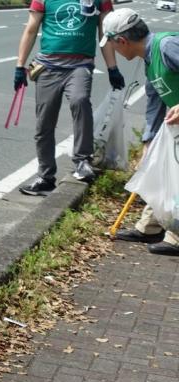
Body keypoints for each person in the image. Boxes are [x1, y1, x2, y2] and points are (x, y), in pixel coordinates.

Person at [15, 0, 125, 196]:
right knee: (44, 122)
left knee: (80, 100)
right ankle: (46, 176)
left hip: (80, 66)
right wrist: (20, 65)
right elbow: (31, 29)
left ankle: (82, 161)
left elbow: (105, 33)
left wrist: (112, 68)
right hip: (47, 66)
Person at [99, 8, 179, 256]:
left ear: (122, 41)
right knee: (159, 170)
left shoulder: (167, 47)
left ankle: (175, 236)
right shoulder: (149, 59)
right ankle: (149, 227)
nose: (114, 51)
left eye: (112, 45)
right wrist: (148, 141)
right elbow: (155, 100)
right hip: (174, 125)